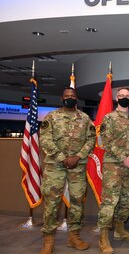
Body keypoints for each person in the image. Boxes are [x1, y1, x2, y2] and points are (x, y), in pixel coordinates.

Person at [39, 87, 96, 254]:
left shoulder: (85, 118)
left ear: (76, 98)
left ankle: (74, 237)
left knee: (77, 201)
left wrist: (77, 156)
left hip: (77, 165)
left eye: (72, 96)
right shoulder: (52, 117)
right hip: (55, 166)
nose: (69, 98)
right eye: (67, 96)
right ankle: (48, 240)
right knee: (51, 203)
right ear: (61, 98)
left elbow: (91, 139)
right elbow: (45, 139)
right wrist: (63, 157)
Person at [97, 87, 129, 254]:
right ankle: (103, 237)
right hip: (113, 166)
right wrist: (123, 157)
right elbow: (106, 141)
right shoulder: (109, 118)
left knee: (126, 201)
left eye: (128, 96)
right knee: (109, 202)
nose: (125, 98)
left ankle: (120, 230)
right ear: (116, 97)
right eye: (122, 96)